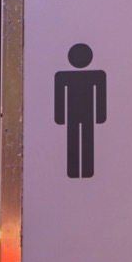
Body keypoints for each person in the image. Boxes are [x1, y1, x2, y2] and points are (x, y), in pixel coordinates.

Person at [54, 43, 106, 178]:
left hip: (84, 115)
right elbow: (60, 97)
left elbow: (100, 96)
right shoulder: (62, 76)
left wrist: (100, 116)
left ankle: (86, 170)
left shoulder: (98, 75)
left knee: (86, 140)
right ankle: (74, 171)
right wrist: (60, 118)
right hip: (76, 115)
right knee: (74, 140)